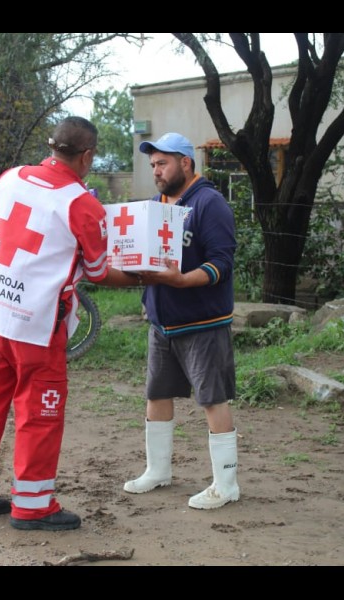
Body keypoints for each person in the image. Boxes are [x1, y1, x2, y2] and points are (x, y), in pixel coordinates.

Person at [0, 116, 139, 531]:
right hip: (35, 326)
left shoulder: (9, 178)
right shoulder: (82, 205)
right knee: (39, 413)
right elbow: (98, 271)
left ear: (52, 146)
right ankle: (33, 505)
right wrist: (145, 277)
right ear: (87, 156)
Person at [124, 132, 240, 510]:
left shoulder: (210, 203)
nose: (156, 171)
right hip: (162, 323)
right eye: (153, 164)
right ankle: (158, 470)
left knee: (213, 399)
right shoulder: (155, 205)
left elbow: (222, 264)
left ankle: (226, 485)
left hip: (203, 323)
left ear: (185, 163)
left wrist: (182, 281)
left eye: (163, 163)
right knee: (156, 395)